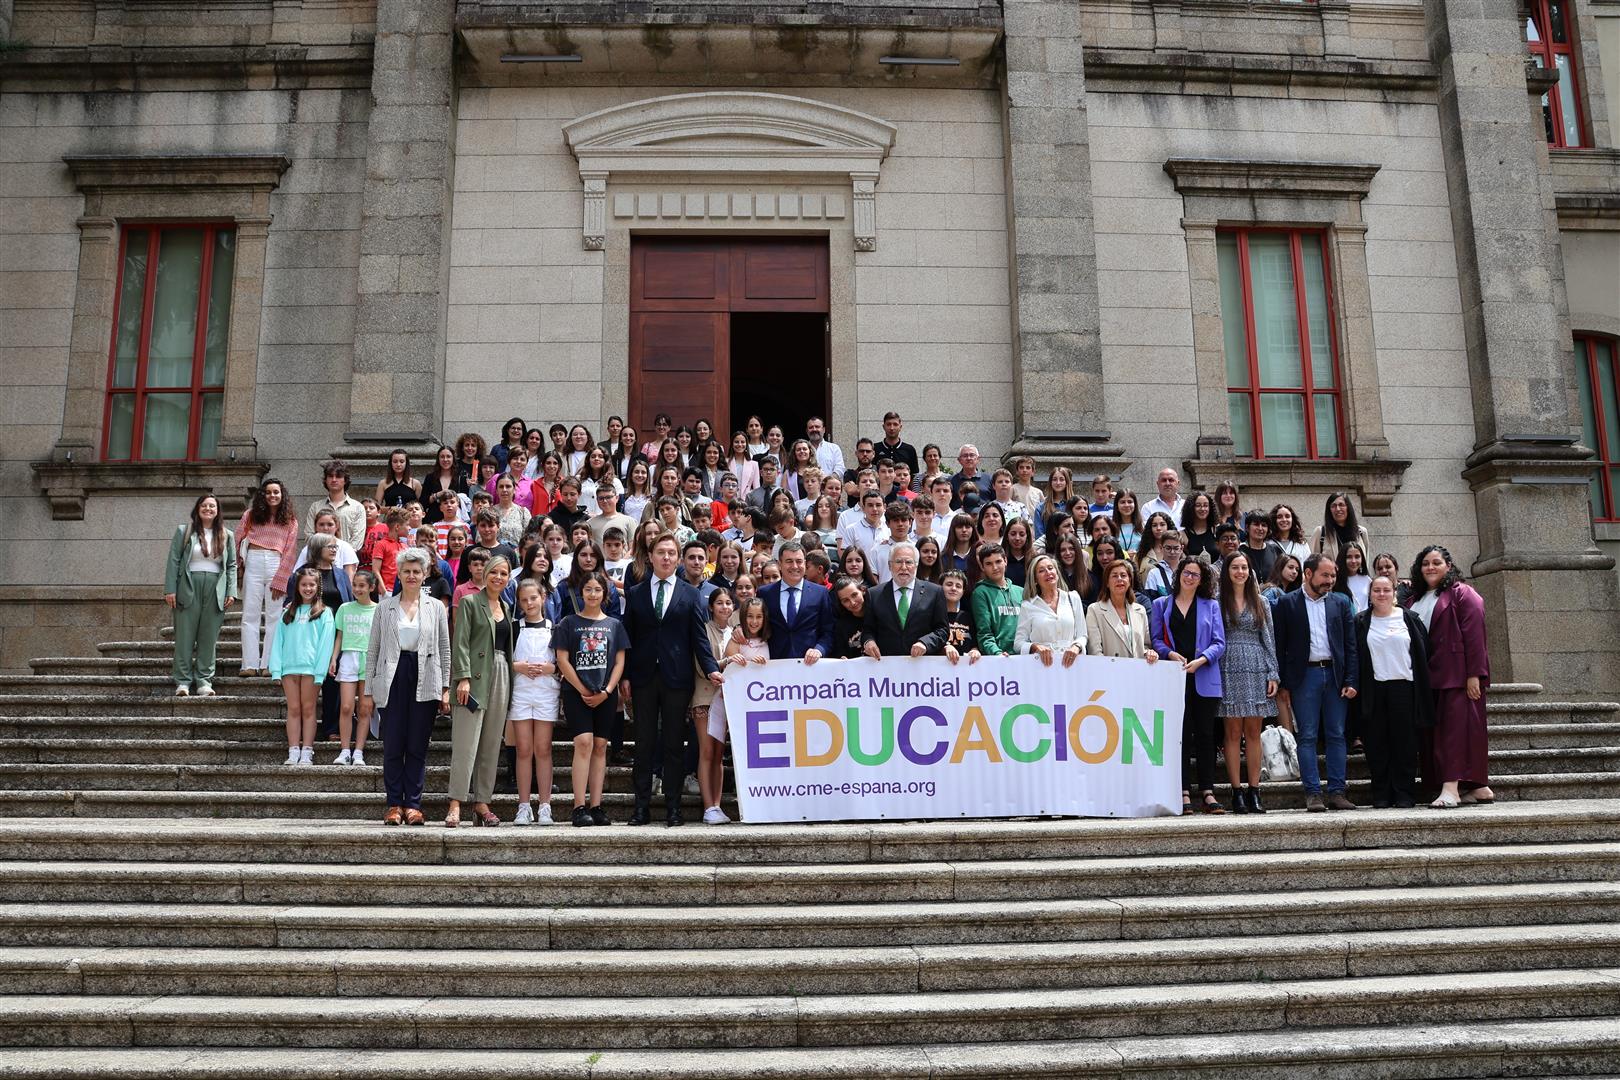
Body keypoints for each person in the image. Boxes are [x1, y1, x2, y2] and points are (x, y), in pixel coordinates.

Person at [622, 533, 722, 826]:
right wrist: (625, 675)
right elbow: (628, 636)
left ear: (677, 559)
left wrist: (711, 668)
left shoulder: (690, 594)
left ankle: (673, 808)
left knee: (674, 745)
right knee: (643, 743)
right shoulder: (637, 592)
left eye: (671, 553)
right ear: (650, 556)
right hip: (643, 678)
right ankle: (641, 808)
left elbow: (699, 640)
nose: (666, 557)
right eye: (661, 552)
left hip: (677, 679)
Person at [367, 548, 451, 825]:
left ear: (425, 574)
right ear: (399, 574)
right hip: (391, 676)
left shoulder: (436, 607)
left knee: (417, 744)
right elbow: (373, 650)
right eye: (406, 571)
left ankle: (413, 804)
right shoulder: (384, 607)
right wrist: (368, 690)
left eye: (417, 571)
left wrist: (445, 686)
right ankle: (393, 804)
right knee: (393, 744)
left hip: (425, 676)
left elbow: (444, 648)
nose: (412, 576)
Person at [1407, 545, 1494, 809]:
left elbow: (1475, 636)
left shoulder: (1462, 594)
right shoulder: (1415, 599)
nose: (1430, 568)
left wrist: (1475, 674)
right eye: (1425, 563)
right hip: (1427, 677)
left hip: (1456, 675)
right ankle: (1478, 787)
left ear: (1448, 566)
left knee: (1455, 733)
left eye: (1436, 563)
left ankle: (1451, 788)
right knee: (1441, 733)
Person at [1274, 554, 1361, 812]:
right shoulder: (1286, 604)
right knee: (1308, 735)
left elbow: (1350, 645)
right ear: (1308, 574)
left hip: (1335, 676)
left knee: (1336, 734)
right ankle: (1312, 793)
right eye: (1325, 575)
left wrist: (1351, 679)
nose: (1330, 581)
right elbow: (1280, 646)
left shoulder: (1341, 603)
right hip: (1304, 678)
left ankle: (1336, 792)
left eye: (1333, 575)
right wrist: (1283, 684)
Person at [1150, 557, 1226, 814]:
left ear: (1202, 579)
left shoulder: (1211, 605)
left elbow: (1219, 642)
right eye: (1186, 572)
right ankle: (1182, 791)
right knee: (1179, 736)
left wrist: (1202, 660)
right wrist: (1170, 654)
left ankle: (1207, 791)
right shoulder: (1162, 604)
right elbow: (1156, 640)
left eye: (1195, 574)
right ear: (1178, 574)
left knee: (1206, 735)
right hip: (1174, 677)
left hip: (1203, 676)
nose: (1190, 577)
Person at [554, 571, 627, 827]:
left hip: (605, 694)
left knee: (599, 746)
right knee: (583, 743)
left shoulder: (614, 625)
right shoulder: (568, 622)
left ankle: (596, 805)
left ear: (605, 594)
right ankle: (578, 806)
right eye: (589, 590)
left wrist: (607, 691)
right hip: (577, 693)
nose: (593, 594)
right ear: (581, 593)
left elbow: (619, 661)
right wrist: (583, 689)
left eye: (598, 590)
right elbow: (562, 659)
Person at [447, 554, 515, 828]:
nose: (498, 577)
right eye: (494, 572)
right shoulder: (469, 601)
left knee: (489, 744)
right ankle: (455, 803)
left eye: (503, 573)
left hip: (500, 674)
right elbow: (460, 640)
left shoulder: (507, 607)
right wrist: (462, 677)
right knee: (466, 744)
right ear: (484, 574)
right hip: (473, 677)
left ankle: (482, 802)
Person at [1357, 574, 1433, 809]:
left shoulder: (1410, 619)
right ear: (1370, 595)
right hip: (1374, 689)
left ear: (1394, 593)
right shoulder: (1360, 621)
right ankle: (1381, 792)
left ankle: (1404, 792)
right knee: (1376, 742)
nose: (1381, 594)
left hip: (1405, 688)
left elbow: (1424, 653)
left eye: (1386, 590)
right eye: (1376, 590)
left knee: (1405, 743)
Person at [1216, 551, 1279, 814]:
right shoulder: (1218, 600)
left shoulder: (1261, 601)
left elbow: (1269, 638)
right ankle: (1237, 792)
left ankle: (1255, 790)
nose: (1240, 572)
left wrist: (1273, 672)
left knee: (1253, 732)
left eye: (1244, 567)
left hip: (1256, 664)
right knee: (1232, 733)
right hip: (1228, 664)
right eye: (1235, 567)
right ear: (1227, 572)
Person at [164, 493, 238, 697]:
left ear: (218, 511)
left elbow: (231, 564)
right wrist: (170, 589)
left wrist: (231, 590)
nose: (208, 509)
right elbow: (174, 560)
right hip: (188, 586)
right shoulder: (184, 531)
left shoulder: (227, 534)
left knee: (208, 637)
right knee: (184, 636)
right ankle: (183, 681)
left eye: (212, 506)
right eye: (204, 505)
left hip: (215, 588)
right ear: (198, 509)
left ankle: (204, 680)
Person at [269, 566, 336, 767]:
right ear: (297, 586)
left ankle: (307, 751)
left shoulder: (324, 613)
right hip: (289, 667)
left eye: (312, 585)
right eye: (304, 584)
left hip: (310, 669)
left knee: (308, 709)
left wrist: (320, 671)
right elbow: (277, 642)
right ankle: (293, 750)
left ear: (318, 587)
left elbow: (326, 644)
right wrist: (276, 668)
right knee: (293, 709)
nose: (308, 588)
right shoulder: (287, 612)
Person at [506, 578, 560, 826]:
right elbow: (504, 658)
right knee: (524, 750)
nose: (529, 603)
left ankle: (545, 806)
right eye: (524, 599)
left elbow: (562, 662)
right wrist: (518, 666)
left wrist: (551, 668)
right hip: (521, 691)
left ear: (543, 598)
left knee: (543, 749)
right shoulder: (515, 628)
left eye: (533, 598)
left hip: (546, 692)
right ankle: (524, 805)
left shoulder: (555, 628)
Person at [237, 478, 300, 678]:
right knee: (250, 615)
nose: (272, 496)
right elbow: (237, 539)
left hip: (276, 562)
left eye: (276, 492)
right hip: (253, 561)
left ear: (282, 495)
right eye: (269, 492)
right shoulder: (250, 515)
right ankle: (249, 664)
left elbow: (290, 552)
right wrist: (239, 566)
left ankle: (269, 665)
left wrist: (282, 578)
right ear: (263, 495)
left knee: (274, 616)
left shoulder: (290, 520)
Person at [694, 589, 745, 824]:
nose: (724, 607)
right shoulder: (703, 630)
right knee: (706, 751)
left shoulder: (738, 633)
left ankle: (717, 804)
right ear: (711, 606)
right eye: (719, 603)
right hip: (705, 696)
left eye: (728, 603)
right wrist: (727, 661)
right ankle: (708, 807)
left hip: (729, 699)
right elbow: (701, 663)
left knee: (719, 753)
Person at [861, 542, 953, 659]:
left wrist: (925, 643)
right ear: (890, 566)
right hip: (886, 666)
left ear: (916, 565)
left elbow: (943, 630)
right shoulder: (874, 594)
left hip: (922, 665)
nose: (903, 567)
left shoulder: (934, 592)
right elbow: (868, 630)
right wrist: (869, 642)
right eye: (898, 562)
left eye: (909, 562)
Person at [328, 569, 378, 765]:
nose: (357, 589)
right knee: (346, 706)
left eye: (362, 586)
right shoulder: (344, 608)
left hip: (370, 659)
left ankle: (358, 751)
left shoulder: (379, 609)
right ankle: (345, 750)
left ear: (371, 588)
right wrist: (334, 658)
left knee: (365, 708)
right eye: (355, 585)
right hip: (348, 657)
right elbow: (339, 637)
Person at [759, 542, 836, 661]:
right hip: (774, 666)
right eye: (789, 561)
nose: (795, 566)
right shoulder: (765, 593)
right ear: (780, 564)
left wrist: (819, 649)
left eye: (799, 561)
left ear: (805, 564)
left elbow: (828, 631)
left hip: (809, 667)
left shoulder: (820, 593)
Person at [1014, 554, 1087, 666]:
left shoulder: (1073, 598)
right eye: (1041, 571)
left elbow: (1082, 635)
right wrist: (1035, 647)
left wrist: (1076, 647)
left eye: (1050, 568)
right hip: (1042, 665)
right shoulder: (1028, 606)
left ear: (1057, 573)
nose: (1048, 572)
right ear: (1035, 579)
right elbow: (1018, 643)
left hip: (1072, 665)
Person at [1085, 560, 1157, 664]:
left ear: (1129, 581)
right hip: (1109, 673)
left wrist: (1149, 653)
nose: (1119, 579)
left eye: (1123, 575)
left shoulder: (1140, 610)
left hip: (1137, 672)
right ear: (1107, 583)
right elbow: (1095, 650)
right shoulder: (1095, 610)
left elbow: (1145, 645)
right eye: (1114, 576)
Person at [970, 544, 1022, 656]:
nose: (995, 567)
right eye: (989, 564)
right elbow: (984, 632)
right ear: (982, 567)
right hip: (998, 658)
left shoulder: (1021, 592)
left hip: (1024, 657)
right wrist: (996, 653)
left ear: (1005, 561)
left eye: (998, 561)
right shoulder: (980, 593)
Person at [305, 461, 367, 549]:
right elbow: (309, 536)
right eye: (330, 476)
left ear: (345, 480)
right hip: (320, 559)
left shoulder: (357, 507)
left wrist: (342, 555)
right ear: (325, 480)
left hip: (347, 560)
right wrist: (324, 553)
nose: (334, 480)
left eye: (338, 476)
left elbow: (357, 540)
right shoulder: (315, 507)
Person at [1311, 491, 1371, 564]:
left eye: (1341, 505)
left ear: (1348, 507)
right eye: (1333, 506)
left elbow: (1366, 561)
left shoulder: (1361, 532)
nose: (1338, 509)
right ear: (1329, 510)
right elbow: (1313, 563)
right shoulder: (1320, 532)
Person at [420, 446, 468, 527]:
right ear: (438, 459)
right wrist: (437, 495)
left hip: (454, 522)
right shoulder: (430, 477)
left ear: (453, 459)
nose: (445, 460)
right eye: (442, 457)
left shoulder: (461, 478)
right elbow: (423, 502)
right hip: (433, 520)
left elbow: (466, 502)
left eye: (448, 456)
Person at [1237, 510, 1282, 584]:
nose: (1260, 528)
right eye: (1256, 524)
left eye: (1264, 525)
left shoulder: (1275, 550)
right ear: (1247, 528)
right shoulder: (1240, 551)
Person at [1180, 491, 1218, 562]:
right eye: (1198, 505)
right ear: (1191, 508)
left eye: (1206, 505)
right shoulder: (1183, 535)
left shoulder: (1217, 531)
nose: (1202, 509)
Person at [805, 416, 845, 482]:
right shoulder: (802, 450)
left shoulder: (834, 448)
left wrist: (827, 481)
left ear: (823, 430)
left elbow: (840, 469)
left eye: (817, 427)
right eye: (811, 427)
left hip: (829, 489)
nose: (814, 429)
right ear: (807, 431)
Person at [1336, 541, 1372, 612]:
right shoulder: (1335, 581)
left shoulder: (1367, 580)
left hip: (1364, 621)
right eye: (1349, 557)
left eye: (1357, 557)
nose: (1353, 561)